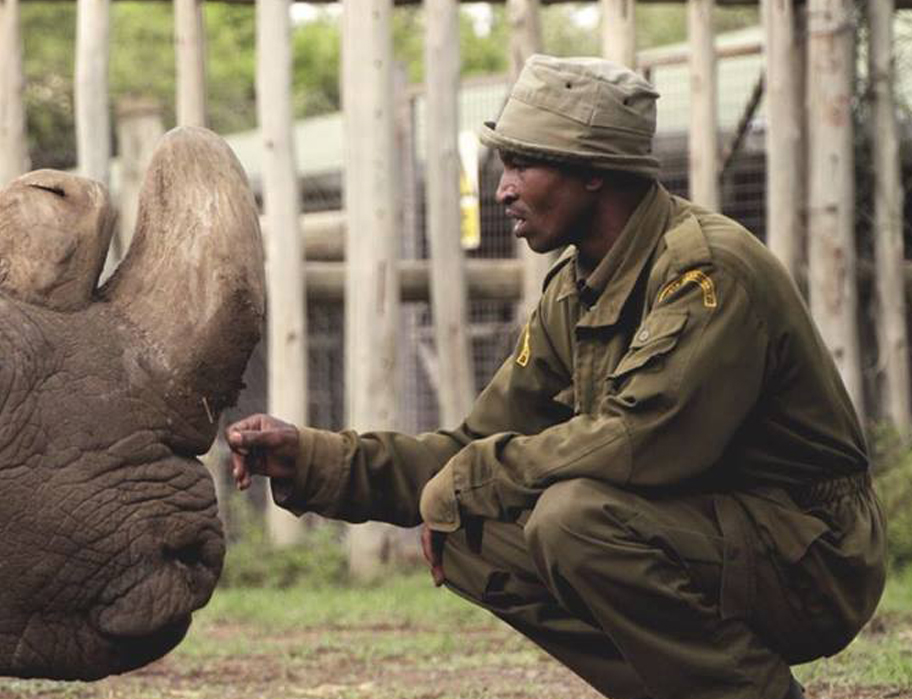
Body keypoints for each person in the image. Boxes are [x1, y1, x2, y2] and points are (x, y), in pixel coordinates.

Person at [226, 55, 885, 699]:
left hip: (813, 557)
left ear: (593, 172)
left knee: (571, 520)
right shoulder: (577, 290)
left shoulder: (707, 272)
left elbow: (641, 443)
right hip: (711, 537)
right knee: (471, 534)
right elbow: (471, 447)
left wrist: (474, 477)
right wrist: (313, 460)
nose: (502, 188)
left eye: (520, 164)